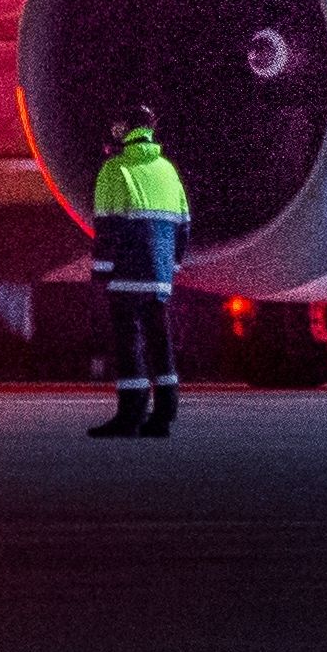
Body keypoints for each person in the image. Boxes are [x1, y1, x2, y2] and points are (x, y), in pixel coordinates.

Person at [86, 114, 190, 436]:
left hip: (126, 274)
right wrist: (170, 267)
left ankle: (130, 415)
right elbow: (184, 224)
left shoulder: (114, 169)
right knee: (161, 342)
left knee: (129, 344)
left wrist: (100, 271)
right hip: (160, 276)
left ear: (125, 131)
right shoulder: (168, 170)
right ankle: (164, 416)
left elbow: (107, 227)